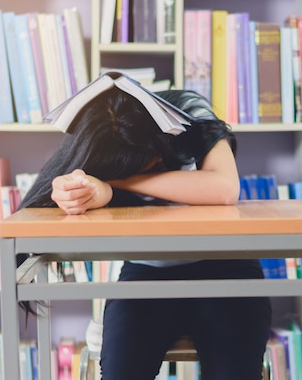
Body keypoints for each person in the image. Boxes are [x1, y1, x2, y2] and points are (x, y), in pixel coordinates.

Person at [19, 83, 272, 380]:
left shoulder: (190, 114)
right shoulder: (102, 146)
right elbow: (52, 199)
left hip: (227, 268)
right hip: (146, 272)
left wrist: (117, 184)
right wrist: (73, 193)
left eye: (149, 160)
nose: (152, 164)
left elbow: (224, 188)